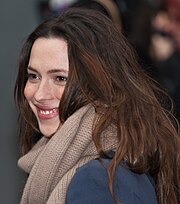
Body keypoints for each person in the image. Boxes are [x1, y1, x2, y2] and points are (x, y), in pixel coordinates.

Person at [14, 8, 180, 204]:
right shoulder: (114, 164)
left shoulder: (97, 179)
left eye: (60, 78)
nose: (39, 94)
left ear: (99, 83)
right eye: (33, 76)